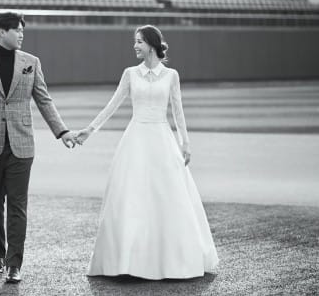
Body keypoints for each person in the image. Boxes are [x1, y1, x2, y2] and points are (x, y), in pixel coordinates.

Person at [74, 25, 219, 280]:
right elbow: (113, 104)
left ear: (151, 44)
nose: (135, 46)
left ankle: (173, 261)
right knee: (131, 195)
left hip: (162, 138)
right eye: (135, 41)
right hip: (136, 138)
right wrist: (90, 129)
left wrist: (186, 142)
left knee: (167, 195)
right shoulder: (130, 73)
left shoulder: (171, 75)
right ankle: (126, 261)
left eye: (139, 41)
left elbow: (178, 111)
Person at [0, 11, 77, 284]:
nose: (22, 34)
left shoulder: (31, 62)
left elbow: (44, 100)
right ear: (2, 31)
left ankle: (14, 264)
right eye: (18, 30)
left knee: (18, 205)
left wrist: (62, 131)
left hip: (22, 144)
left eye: (23, 30)